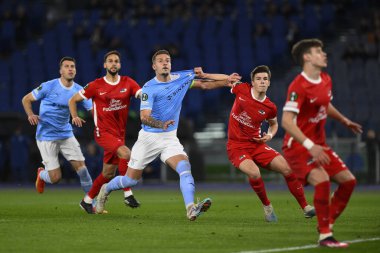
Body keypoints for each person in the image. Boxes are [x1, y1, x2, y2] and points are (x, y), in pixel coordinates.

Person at [95, 49, 242, 221]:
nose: (165, 63)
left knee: (185, 168)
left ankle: (190, 208)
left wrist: (227, 81)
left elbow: (204, 83)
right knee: (130, 180)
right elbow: (144, 117)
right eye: (160, 61)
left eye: (168, 60)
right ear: (154, 66)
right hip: (148, 139)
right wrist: (161, 124)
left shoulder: (181, 78)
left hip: (169, 138)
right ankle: (105, 189)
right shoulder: (149, 88)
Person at [281, 39, 362, 248]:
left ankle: (326, 223)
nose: (323, 54)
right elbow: (286, 122)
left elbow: (325, 103)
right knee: (323, 180)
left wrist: (345, 121)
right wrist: (310, 146)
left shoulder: (326, 79)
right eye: (318, 51)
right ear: (307, 57)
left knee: (348, 181)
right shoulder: (298, 85)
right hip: (298, 147)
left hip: (319, 145)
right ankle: (326, 236)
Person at [226, 65, 315, 222]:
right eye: (258, 79)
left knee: (287, 169)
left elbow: (273, 124)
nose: (262, 82)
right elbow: (224, 80)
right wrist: (205, 74)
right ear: (252, 82)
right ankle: (267, 207)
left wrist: (269, 135)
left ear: (269, 83)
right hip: (237, 146)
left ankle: (306, 207)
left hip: (257, 145)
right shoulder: (241, 89)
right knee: (254, 173)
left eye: (265, 79)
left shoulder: (270, 107)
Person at [69, 50, 141, 214]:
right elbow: (73, 99)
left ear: (120, 65)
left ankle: (86, 201)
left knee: (108, 173)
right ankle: (128, 194)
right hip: (103, 132)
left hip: (119, 134)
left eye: (116, 61)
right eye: (110, 61)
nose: (113, 63)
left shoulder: (128, 82)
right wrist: (74, 116)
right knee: (126, 154)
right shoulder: (96, 85)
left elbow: (141, 95)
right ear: (105, 65)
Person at [21, 57, 93, 196]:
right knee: (55, 178)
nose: (70, 69)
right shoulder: (49, 86)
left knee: (83, 170)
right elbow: (26, 99)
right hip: (46, 136)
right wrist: (30, 115)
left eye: (72, 66)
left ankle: (92, 202)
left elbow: (92, 109)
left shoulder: (79, 90)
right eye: (66, 66)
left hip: (66, 134)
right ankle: (42, 174)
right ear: (61, 71)